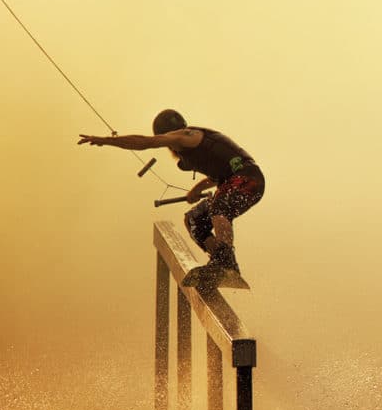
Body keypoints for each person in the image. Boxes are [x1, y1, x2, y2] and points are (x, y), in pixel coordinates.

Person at [78, 109, 265, 289]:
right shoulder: (191, 150)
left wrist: (106, 141)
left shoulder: (185, 135)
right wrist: (197, 188)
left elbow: (145, 142)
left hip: (250, 179)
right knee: (194, 220)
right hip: (233, 182)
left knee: (219, 206)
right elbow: (219, 174)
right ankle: (218, 262)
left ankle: (226, 261)